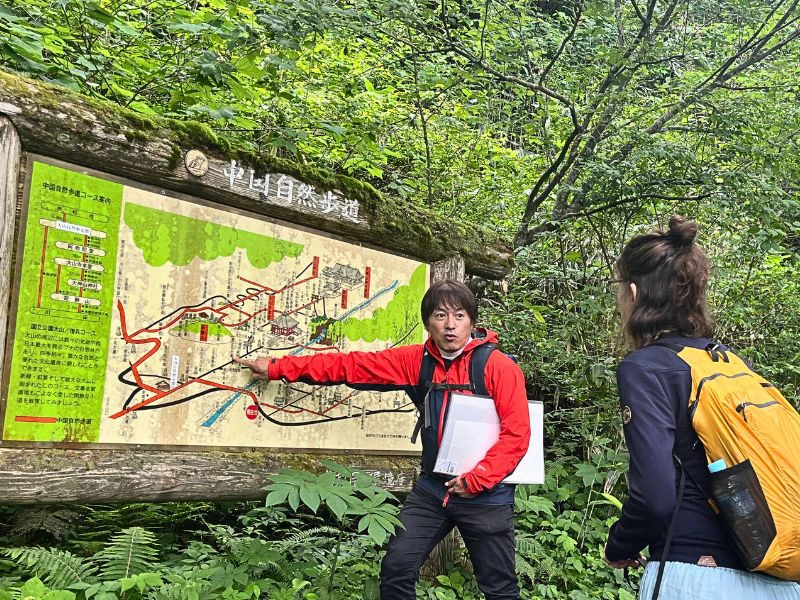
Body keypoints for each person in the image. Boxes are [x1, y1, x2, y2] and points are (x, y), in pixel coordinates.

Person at [234, 279, 530, 600]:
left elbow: (517, 434)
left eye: (459, 316)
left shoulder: (497, 367)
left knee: (499, 588)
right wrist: (279, 367)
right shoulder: (417, 361)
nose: (450, 326)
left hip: (486, 497)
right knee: (396, 569)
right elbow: (351, 366)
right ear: (428, 322)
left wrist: (477, 480)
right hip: (432, 491)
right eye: (440, 316)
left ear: (472, 320)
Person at [603, 216, 800, 598]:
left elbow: (655, 497)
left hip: (695, 578)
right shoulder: (728, 362)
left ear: (634, 292)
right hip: (778, 580)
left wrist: (620, 545)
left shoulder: (646, 368)